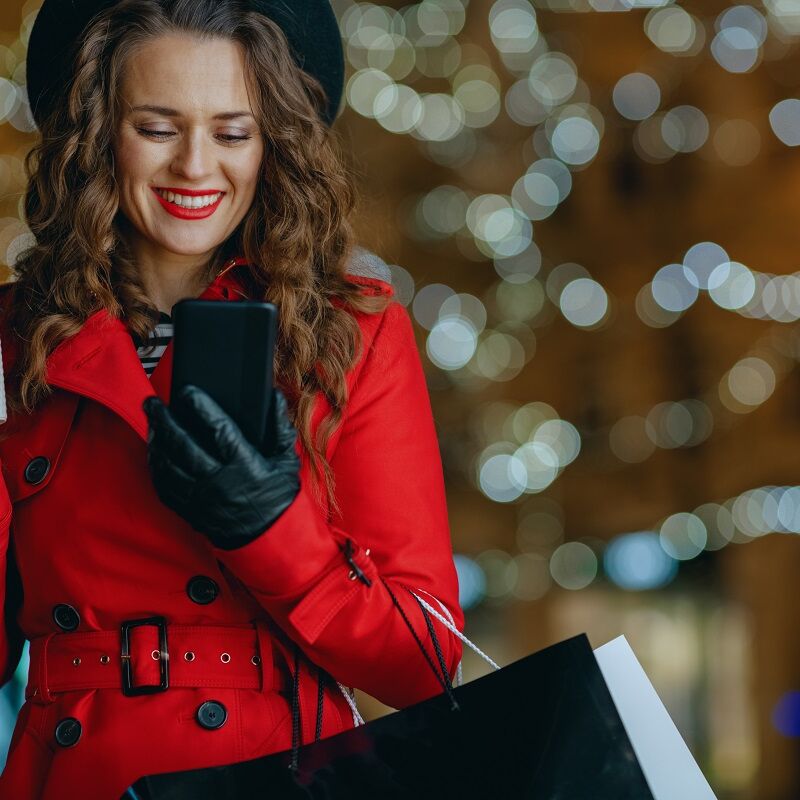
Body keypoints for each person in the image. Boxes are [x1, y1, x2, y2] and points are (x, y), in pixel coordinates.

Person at [0, 0, 464, 796]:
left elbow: (424, 661)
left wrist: (270, 529)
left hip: (281, 774)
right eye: (156, 127)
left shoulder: (353, 333)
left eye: (232, 132)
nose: (194, 166)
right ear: (96, 134)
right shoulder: (14, 337)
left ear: (271, 146)